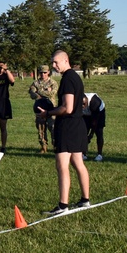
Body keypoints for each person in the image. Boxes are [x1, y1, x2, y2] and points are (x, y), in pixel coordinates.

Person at [39, 50, 90, 214]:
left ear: (66, 60)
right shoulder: (75, 77)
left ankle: (63, 205)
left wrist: (48, 113)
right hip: (78, 125)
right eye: (52, 63)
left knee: (62, 165)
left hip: (68, 126)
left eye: (56, 62)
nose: (53, 66)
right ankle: (85, 200)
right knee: (78, 163)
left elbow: (67, 108)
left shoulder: (68, 79)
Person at [28, 65, 57, 153]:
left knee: (53, 127)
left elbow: (52, 93)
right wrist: (43, 92)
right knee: (41, 128)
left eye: (45, 72)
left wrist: (39, 91)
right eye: (41, 72)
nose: (43, 74)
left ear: (48, 72)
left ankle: (56, 146)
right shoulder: (35, 83)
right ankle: (43, 146)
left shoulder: (53, 83)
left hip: (51, 108)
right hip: (39, 108)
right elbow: (32, 93)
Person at [82, 93, 106, 161]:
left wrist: (90, 135)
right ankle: (83, 154)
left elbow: (95, 122)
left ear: (87, 101)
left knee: (99, 132)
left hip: (98, 114)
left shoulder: (95, 102)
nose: (82, 106)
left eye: (83, 104)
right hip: (86, 114)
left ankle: (99, 154)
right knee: (83, 132)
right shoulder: (77, 101)